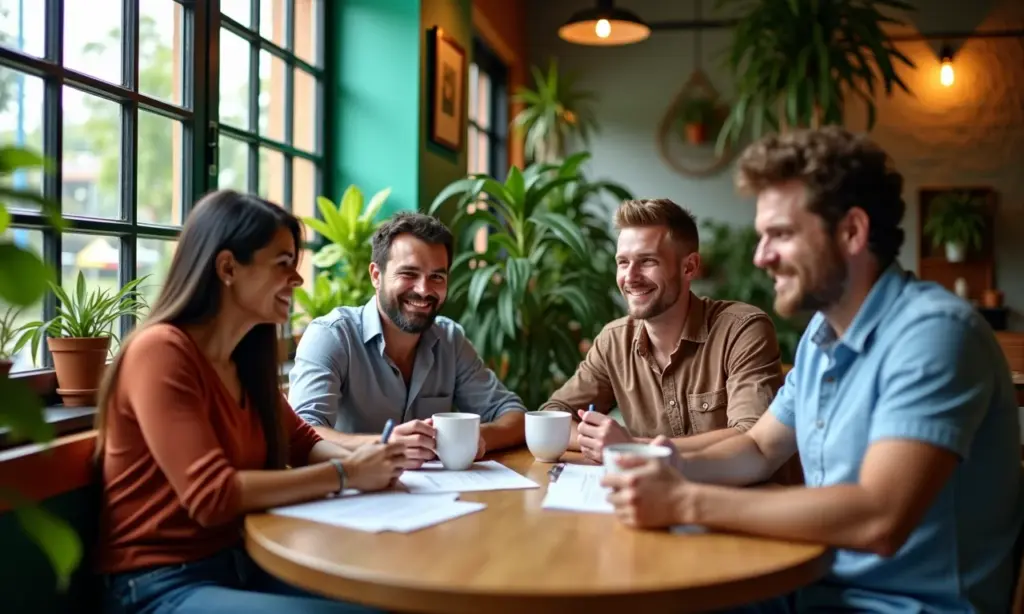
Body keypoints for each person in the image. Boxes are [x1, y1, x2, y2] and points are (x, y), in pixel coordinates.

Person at [602, 127, 1024, 613]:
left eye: (781, 234)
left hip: (904, 605)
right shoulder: (822, 337)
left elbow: (878, 518)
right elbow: (760, 448)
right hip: (815, 586)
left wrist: (683, 500)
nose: (761, 256)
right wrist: (666, 465)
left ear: (851, 232)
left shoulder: (934, 334)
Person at [94, 190, 406, 614]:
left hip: (245, 562)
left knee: (394, 601)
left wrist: (376, 460)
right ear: (227, 268)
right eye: (283, 264)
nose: (297, 280)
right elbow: (212, 496)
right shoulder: (159, 352)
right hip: (157, 583)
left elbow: (302, 443)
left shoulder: (243, 360)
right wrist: (347, 473)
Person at [540, 198, 788, 465]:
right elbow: (553, 415)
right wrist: (601, 443)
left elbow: (752, 436)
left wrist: (631, 448)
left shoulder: (742, 329)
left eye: (647, 261)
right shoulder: (613, 341)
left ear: (689, 267)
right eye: (623, 262)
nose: (630, 277)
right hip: (647, 489)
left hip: (737, 490)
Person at [288, 212, 526, 469]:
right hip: (352, 488)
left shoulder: (450, 340)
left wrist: (476, 437)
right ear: (376, 275)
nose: (424, 290)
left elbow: (514, 414)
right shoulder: (332, 335)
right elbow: (302, 433)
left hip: (440, 491)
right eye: (409, 273)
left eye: (437, 277)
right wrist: (385, 444)